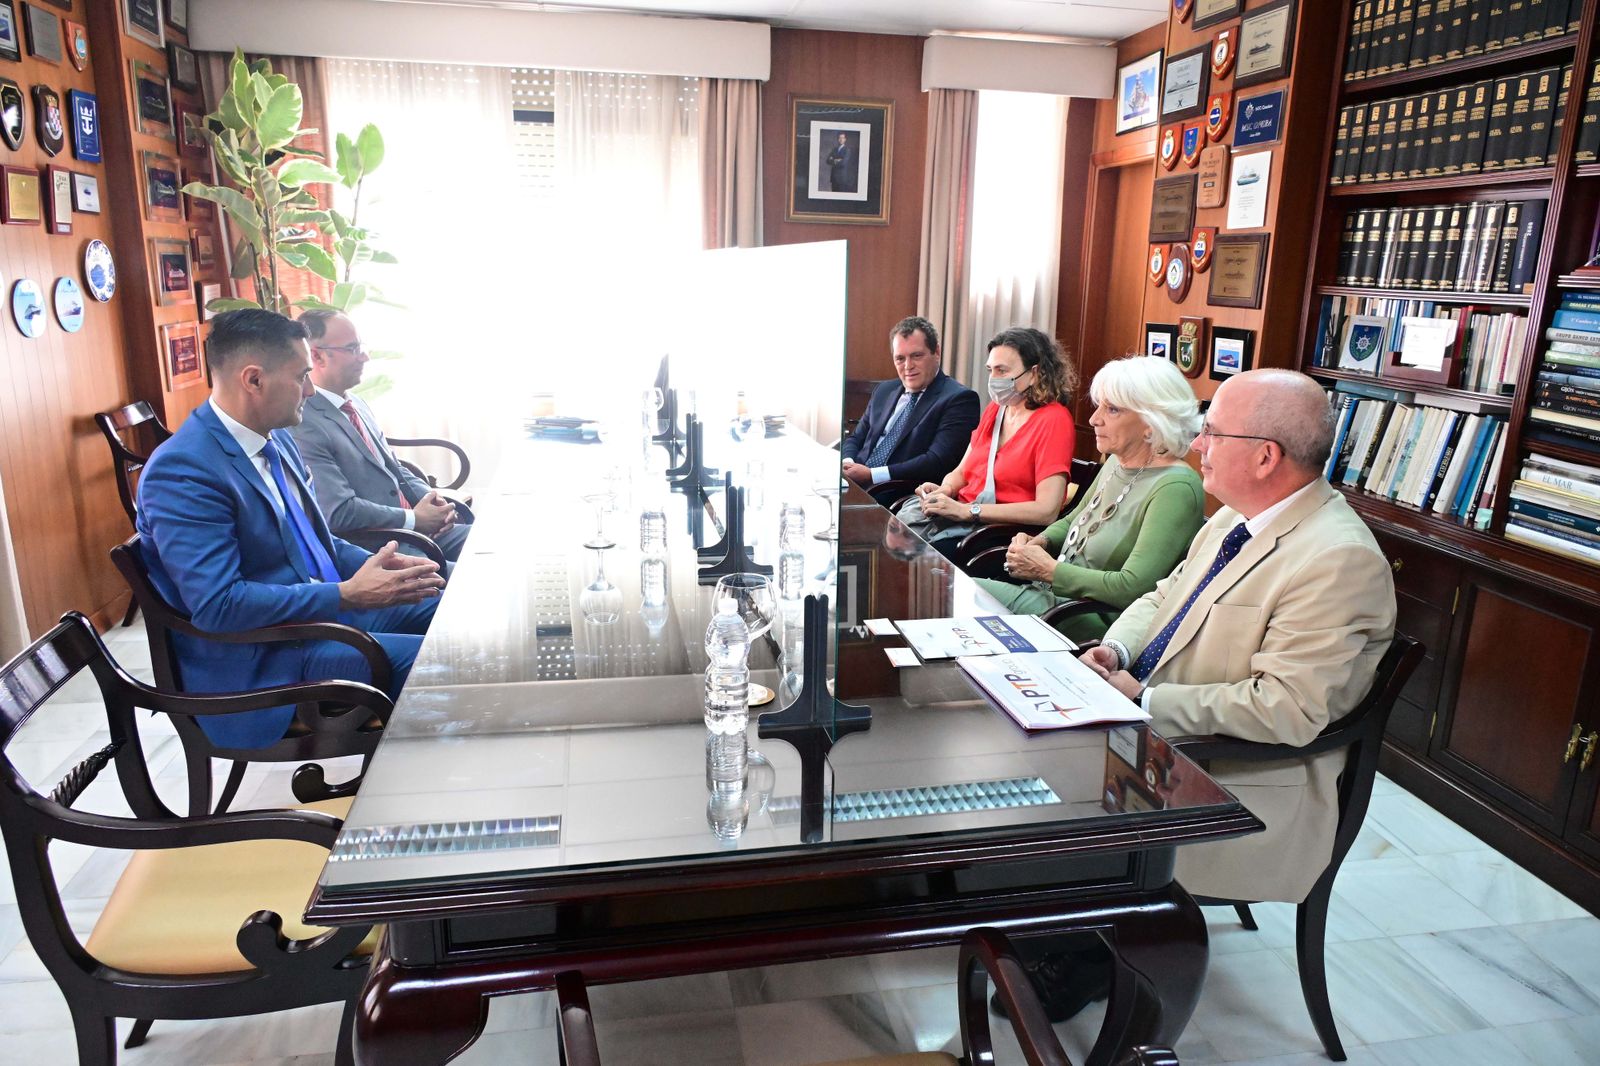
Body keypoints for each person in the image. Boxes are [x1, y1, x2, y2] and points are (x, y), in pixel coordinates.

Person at [1013, 370, 1397, 1022]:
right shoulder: (1238, 519)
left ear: (1265, 455)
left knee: (1052, 800)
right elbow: (1164, 597)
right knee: (1025, 758)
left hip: (1240, 786)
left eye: (1213, 432)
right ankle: (1054, 929)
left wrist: (1148, 700)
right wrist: (1121, 651)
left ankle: (1084, 959)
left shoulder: (1337, 559)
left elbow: (1289, 708)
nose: (1197, 447)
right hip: (1172, 743)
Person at [136, 309, 446, 749]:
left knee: (456, 612)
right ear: (253, 380)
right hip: (268, 659)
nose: (310, 388)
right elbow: (218, 606)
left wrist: (391, 567)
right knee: (450, 663)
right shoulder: (184, 470)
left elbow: (319, 543)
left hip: (319, 616)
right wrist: (345, 594)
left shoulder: (276, 435)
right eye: (301, 375)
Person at [976, 356, 1204, 643]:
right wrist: (1040, 542)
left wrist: (1049, 570)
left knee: (960, 590)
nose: (1094, 419)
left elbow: (1133, 587)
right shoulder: (1117, 462)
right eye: (1100, 407)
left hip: (1093, 621)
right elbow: (1075, 519)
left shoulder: (1176, 487)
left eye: (1112, 409)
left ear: (1151, 421)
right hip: (1055, 599)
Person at [291, 310, 471, 561]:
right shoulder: (303, 422)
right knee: (476, 580)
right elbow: (339, 511)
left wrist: (432, 500)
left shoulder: (355, 402)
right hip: (382, 546)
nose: (364, 356)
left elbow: (394, 468)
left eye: (361, 346)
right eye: (352, 348)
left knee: (496, 543)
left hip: (419, 532)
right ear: (317, 356)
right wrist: (413, 520)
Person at [896, 326, 1077, 554]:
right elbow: (962, 471)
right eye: (990, 370)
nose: (993, 379)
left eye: (1002, 370)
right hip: (964, 519)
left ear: (1034, 373)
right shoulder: (996, 409)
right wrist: (945, 490)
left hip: (997, 534)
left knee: (921, 557)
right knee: (896, 541)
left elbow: (1046, 510)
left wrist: (969, 511)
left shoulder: (1054, 420)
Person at [841, 316, 980, 504]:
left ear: (936, 352)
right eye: (900, 358)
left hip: (897, 494)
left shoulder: (959, 399)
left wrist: (872, 475)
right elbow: (857, 437)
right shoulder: (884, 391)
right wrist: (847, 463)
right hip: (853, 484)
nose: (908, 366)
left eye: (916, 356)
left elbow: (937, 461)